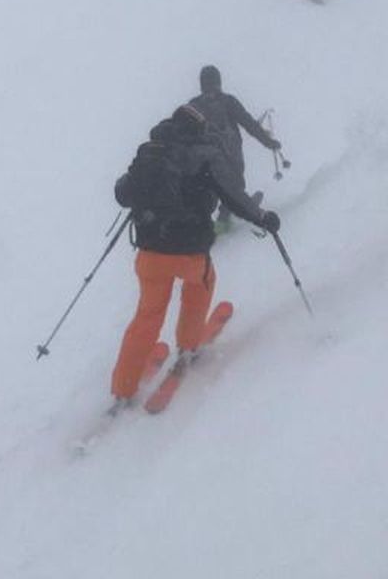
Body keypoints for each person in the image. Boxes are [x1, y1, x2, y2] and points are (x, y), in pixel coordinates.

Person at [109, 105, 279, 401]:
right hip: (189, 252)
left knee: (147, 316)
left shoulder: (150, 152)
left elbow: (122, 194)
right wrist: (262, 217)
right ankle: (187, 348)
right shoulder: (202, 154)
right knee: (199, 288)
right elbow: (233, 196)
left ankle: (123, 388)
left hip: (150, 254)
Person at [188, 65, 280, 221]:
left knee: (209, 188)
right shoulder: (228, 101)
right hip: (231, 153)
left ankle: (202, 223)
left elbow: (183, 132)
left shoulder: (194, 105)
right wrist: (268, 142)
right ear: (219, 81)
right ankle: (227, 217)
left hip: (203, 157)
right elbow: (249, 123)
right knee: (234, 186)